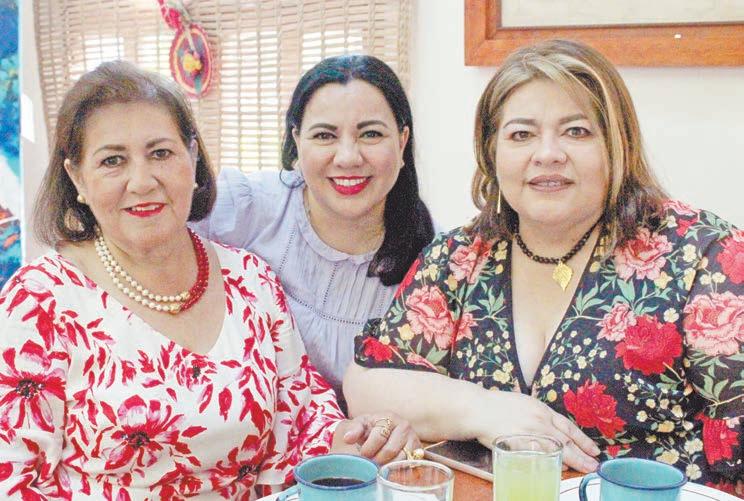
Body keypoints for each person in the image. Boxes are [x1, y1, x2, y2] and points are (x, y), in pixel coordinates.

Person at [0, 61, 420, 500]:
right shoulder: (38, 302)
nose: (142, 181)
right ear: (77, 178)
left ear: (193, 157)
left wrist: (360, 438)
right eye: (112, 161)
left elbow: (303, 417)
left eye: (160, 153)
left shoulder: (250, 280)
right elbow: (12, 481)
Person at [344, 39, 743, 494]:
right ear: (491, 152)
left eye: (576, 131)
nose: (548, 153)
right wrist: (485, 409)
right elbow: (367, 384)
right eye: (521, 135)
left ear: (617, 145)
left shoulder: (704, 258)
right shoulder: (461, 258)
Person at [191, 54, 434, 405]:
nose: (348, 157)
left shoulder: (437, 261)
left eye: (371, 134)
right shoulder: (244, 208)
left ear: (402, 141)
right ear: (297, 142)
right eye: (324, 135)